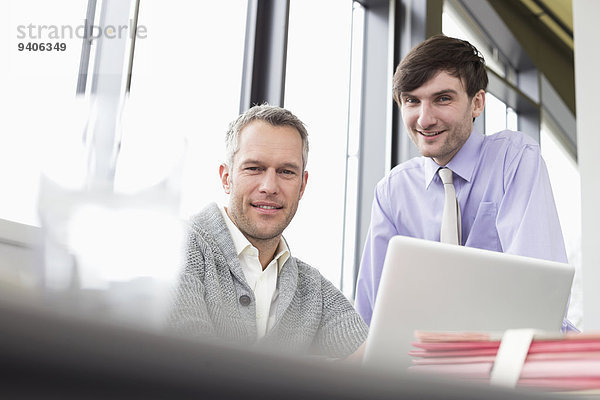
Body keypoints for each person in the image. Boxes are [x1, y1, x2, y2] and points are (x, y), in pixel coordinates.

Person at [355, 34, 576, 331]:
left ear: (477, 103)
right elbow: (370, 317)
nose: (424, 119)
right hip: (426, 365)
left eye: (442, 98)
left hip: (517, 352)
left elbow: (538, 297)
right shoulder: (392, 192)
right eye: (412, 101)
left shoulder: (513, 160)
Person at [170, 104, 368, 358]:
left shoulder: (313, 289)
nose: (269, 186)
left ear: (302, 185)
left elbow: (372, 361)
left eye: (286, 172)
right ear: (226, 177)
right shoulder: (178, 247)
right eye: (254, 168)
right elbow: (193, 367)